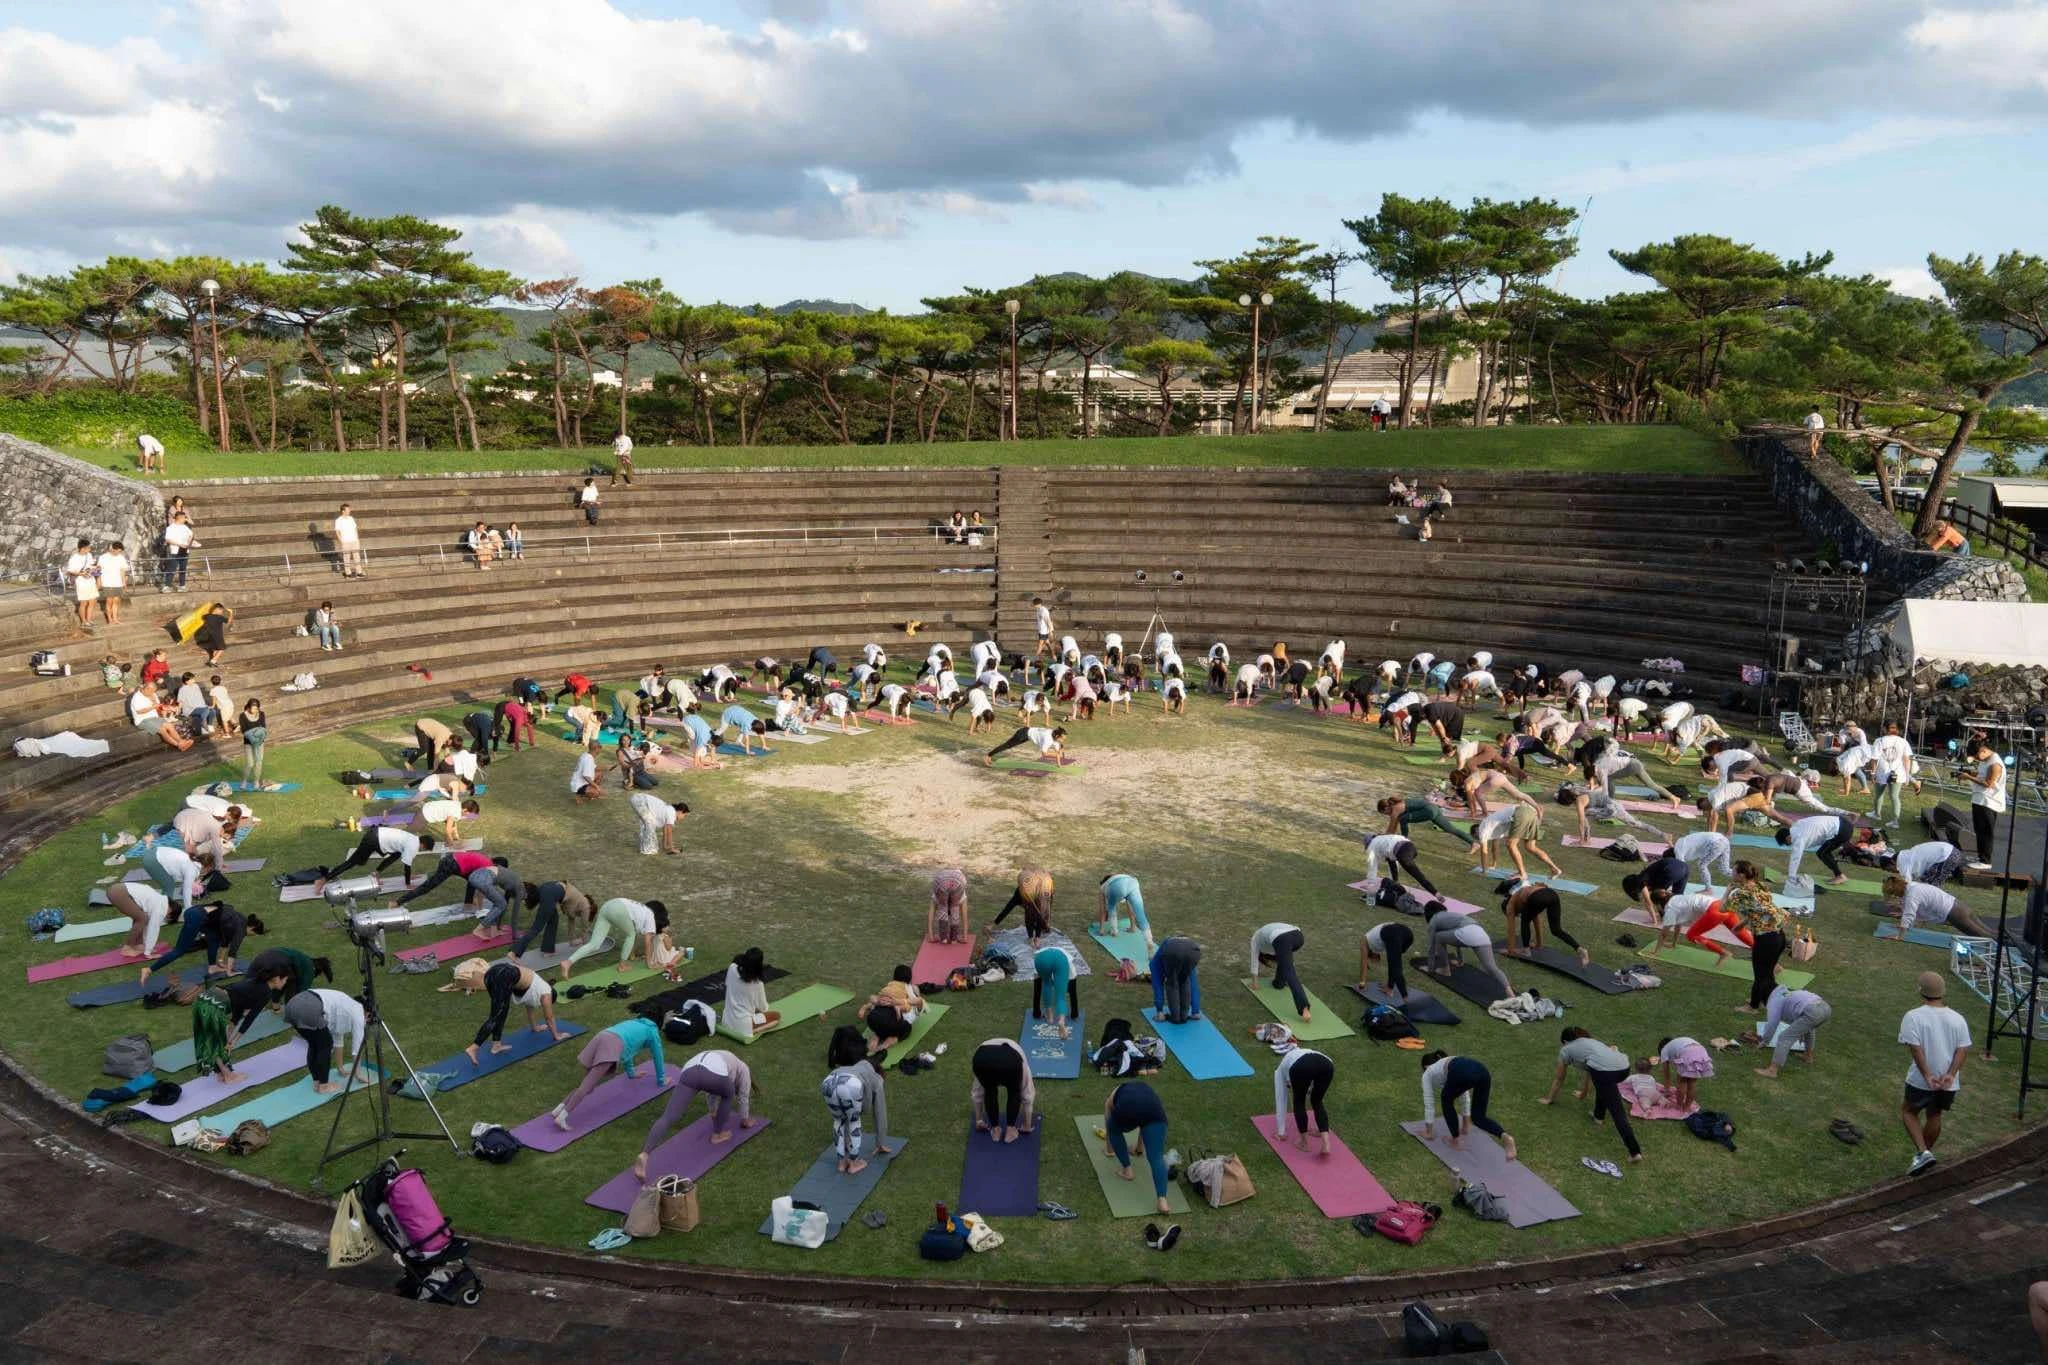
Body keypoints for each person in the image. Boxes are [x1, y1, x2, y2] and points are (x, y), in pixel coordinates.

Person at [633, 1048, 758, 1179]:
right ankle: (718, 1135)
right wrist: (745, 1119)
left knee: (668, 1117)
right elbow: (743, 1096)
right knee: (729, 1093)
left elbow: (711, 1091)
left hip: (689, 1071)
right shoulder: (743, 1068)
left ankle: (645, 1154)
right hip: (711, 1073)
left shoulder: (724, 1059)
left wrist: (713, 1112)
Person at [1900, 970, 1971, 1176]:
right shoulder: (1958, 1018)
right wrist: (1950, 1074)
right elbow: (1963, 1049)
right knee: (1935, 1113)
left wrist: (1928, 1075)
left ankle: (1923, 1152)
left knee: (1908, 1111)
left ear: (1920, 991)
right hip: (1949, 1082)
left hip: (1922, 1080)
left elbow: (1915, 1048)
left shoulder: (1913, 1016)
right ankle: (1923, 1156)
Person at [1541, 1026, 1642, 1163]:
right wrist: (1583, 1093)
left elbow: (1559, 1078)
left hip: (1607, 1073)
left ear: (1565, 1041)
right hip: (1624, 1067)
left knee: (1618, 1113)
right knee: (1602, 1085)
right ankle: (1598, 1116)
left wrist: (1549, 1099)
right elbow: (1592, 1072)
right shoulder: (1590, 1042)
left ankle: (1634, 1152)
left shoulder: (1566, 1050)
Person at [552, 1013, 664, 1130]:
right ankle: (562, 1117)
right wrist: (662, 1080)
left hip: (602, 1036)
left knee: (586, 1085)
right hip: (610, 1045)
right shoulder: (652, 1031)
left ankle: (558, 1109)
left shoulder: (634, 1023)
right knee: (586, 1087)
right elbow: (658, 1056)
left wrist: (631, 1073)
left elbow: (629, 1051)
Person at [189, 970, 290, 1086]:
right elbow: (250, 1018)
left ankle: (220, 1072)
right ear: (277, 979)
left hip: (204, 999)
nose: (286, 982)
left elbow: (239, 1005)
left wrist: (231, 1033)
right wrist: (234, 1041)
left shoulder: (256, 983)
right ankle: (228, 1076)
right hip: (212, 1005)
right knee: (216, 1042)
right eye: (285, 979)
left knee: (216, 1040)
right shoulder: (265, 993)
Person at [822, 1025, 894, 1175]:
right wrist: (880, 1143)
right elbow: (880, 1112)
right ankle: (854, 1164)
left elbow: (844, 1113)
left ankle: (842, 1163)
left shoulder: (856, 1068)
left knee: (839, 1120)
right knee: (854, 1120)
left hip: (828, 1081)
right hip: (849, 1083)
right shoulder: (876, 1078)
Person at [140, 900, 261, 989]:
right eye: (254, 934)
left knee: (214, 938)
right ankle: (149, 969)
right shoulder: (240, 930)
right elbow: (233, 951)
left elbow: (224, 943)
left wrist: (219, 961)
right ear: (252, 928)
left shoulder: (239, 918)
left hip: (196, 912)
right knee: (180, 950)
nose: (252, 936)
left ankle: (212, 967)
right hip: (197, 917)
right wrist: (230, 971)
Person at [1419, 1051, 1516, 1159]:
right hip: (1483, 1072)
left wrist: (1429, 1132)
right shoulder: (1448, 1064)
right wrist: (1465, 1126)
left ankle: (1455, 1140)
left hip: (1465, 1073)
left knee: (1446, 1100)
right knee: (1479, 1118)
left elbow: (1429, 1102)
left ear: (1426, 1067)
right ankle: (1506, 1137)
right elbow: (1464, 1095)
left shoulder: (1428, 1073)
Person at [1725, 861, 1789, 1013]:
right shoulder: (1760, 886)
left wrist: (1727, 891)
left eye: (1733, 871)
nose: (1731, 873)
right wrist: (1741, 924)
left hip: (1766, 939)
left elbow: (1723, 908)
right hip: (1779, 937)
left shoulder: (1740, 893)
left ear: (1741, 875)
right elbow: (1758, 911)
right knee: (1767, 973)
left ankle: (1753, 1006)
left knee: (1762, 975)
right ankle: (1765, 1000)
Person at [1102, 1080, 1173, 1214]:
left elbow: (1109, 1124)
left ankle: (1127, 1170)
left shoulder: (1111, 1100)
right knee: (1156, 1156)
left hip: (1129, 1109)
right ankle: (1162, 1200)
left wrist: (1109, 1150)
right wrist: (1139, 1149)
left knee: (1114, 1129)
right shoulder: (1142, 1088)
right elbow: (1143, 1122)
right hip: (1155, 1113)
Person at [560, 897, 668, 981]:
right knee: (631, 935)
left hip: (607, 906)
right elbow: (647, 942)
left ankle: (567, 963)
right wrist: (650, 964)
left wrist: (632, 955)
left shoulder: (642, 911)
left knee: (595, 944)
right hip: (618, 908)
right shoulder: (650, 917)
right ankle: (622, 966)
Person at [284, 986, 367, 1094]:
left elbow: (338, 1037)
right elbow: (357, 1047)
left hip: (292, 1005)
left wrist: (340, 1068)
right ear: (367, 1013)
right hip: (307, 1006)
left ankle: (317, 1082)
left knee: (315, 1043)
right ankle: (324, 1086)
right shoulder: (358, 1011)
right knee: (325, 1044)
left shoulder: (344, 1007)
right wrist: (358, 1073)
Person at [1424, 903, 1514, 997]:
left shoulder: (1434, 920)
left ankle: (1445, 969)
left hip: (1466, 933)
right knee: (1491, 967)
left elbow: (1432, 946)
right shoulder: (1453, 916)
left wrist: (1430, 969)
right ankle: (1509, 990)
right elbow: (1456, 939)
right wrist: (1460, 960)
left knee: (1438, 937)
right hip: (1481, 933)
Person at [316, 825, 436, 895]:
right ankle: (323, 880)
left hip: (376, 834)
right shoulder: (413, 845)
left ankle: (376, 874)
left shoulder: (413, 838)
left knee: (395, 854)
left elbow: (399, 859)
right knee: (352, 863)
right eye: (424, 849)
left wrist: (409, 877)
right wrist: (408, 884)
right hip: (374, 839)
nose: (421, 850)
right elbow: (407, 865)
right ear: (423, 845)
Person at [1750, 983, 1830, 1079]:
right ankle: (1808, 1056)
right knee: (1809, 1029)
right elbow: (1797, 1013)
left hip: (1812, 1011)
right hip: (1825, 1008)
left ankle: (1772, 1070)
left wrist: (1764, 1041)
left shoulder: (1773, 1001)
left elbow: (1772, 1024)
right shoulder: (1784, 994)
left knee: (1784, 1037)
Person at [1500, 879, 1588, 966]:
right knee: (1556, 930)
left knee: (1525, 920)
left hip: (1538, 895)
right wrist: (1539, 945)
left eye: (1516, 914)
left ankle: (1526, 951)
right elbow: (1536, 921)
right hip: (1552, 894)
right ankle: (1580, 950)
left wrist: (1510, 950)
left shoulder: (1510, 906)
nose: (1517, 915)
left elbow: (1511, 929)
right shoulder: (1526, 899)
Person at [1272, 1042, 1335, 1155]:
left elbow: (1280, 1097)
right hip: (1327, 1064)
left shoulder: (1281, 1070)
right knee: (1317, 1101)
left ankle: (1303, 1142)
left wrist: (1281, 1132)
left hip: (1302, 1066)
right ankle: (1326, 1142)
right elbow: (1314, 1076)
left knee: (1299, 1102)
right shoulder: (1306, 1052)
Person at [971, 1036, 1036, 1143]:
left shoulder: (984, 1053)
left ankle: (996, 1131)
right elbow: (1027, 1094)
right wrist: (1026, 1125)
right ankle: (1010, 1131)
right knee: (1014, 1090)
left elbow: (977, 1092)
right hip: (1009, 1061)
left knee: (989, 1090)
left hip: (982, 1059)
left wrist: (979, 1120)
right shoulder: (1019, 1057)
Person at [1250, 921, 1311, 1021]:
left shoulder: (1255, 939)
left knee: (1289, 971)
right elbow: (1287, 960)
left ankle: (1304, 1007)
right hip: (1298, 937)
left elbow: (1254, 960)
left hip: (1283, 937)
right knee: (1279, 983)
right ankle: (1279, 982)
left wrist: (1255, 983)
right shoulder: (1269, 941)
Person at [858, 965, 925, 1054]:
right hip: (892, 1023)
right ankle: (887, 1042)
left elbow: (872, 999)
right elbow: (919, 1001)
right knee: (905, 1030)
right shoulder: (912, 999)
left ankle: (876, 1037)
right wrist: (897, 1003)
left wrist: (870, 1005)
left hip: (873, 1019)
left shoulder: (889, 990)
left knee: (881, 1024)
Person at [1775, 813, 1855, 887]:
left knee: (1822, 854)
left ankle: (1840, 876)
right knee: (1823, 852)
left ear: (1788, 838)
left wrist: (1791, 878)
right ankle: (1839, 875)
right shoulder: (1797, 825)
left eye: (1787, 843)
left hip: (1841, 830)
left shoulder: (1799, 838)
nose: (1790, 845)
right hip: (1843, 823)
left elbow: (1795, 858)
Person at [1964, 737, 2006, 870]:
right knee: (1979, 830)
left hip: (1989, 801)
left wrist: (1968, 777)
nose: (1977, 759)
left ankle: (1986, 862)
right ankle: (1980, 856)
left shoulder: (1995, 764)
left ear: (1983, 750)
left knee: (1986, 832)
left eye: (1977, 756)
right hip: (1979, 799)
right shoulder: (1986, 760)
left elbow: (1988, 784)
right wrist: (1970, 773)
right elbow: (1982, 774)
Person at [723, 946, 782, 1041]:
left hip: (726, 1020)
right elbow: (763, 1008)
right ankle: (753, 1031)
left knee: (755, 1009)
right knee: (776, 1016)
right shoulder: (758, 983)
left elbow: (728, 984)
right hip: (744, 1025)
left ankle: (749, 1028)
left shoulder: (732, 968)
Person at [107, 881, 173, 958]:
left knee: (140, 917)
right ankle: (127, 949)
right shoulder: (160, 908)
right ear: (170, 910)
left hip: (117, 889)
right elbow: (153, 929)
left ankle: (137, 944)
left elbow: (148, 926)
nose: (164, 917)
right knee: (142, 919)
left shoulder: (159, 900)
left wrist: (146, 947)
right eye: (167, 917)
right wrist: (148, 953)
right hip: (118, 892)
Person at [1362, 832, 1440, 897]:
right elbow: (1393, 862)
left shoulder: (1372, 846)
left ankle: (1436, 894)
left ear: (1367, 843)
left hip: (1402, 852)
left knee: (1417, 875)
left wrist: (1371, 885)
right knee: (1391, 860)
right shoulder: (1383, 838)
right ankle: (1395, 883)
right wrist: (1394, 881)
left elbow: (1372, 867)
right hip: (1411, 847)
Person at [1649, 1035, 1714, 1110]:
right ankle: (1687, 1107)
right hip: (1701, 1052)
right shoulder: (1677, 1043)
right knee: (1692, 1083)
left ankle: (1679, 1105)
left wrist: (1667, 1090)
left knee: (1682, 1081)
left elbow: (1667, 1074)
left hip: (1687, 1052)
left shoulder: (1664, 1050)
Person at [992, 867, 1054, 943]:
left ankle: (1035, 938)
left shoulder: (1041, 893)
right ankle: (1033, 938)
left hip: (1041, 889)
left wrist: (1038, 936)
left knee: (1037, 914)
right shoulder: (1020, 895)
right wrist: (994, 923)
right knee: (1033, 914)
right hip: (1032, 889)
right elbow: (1008, 908)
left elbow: (1041, 913)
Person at [1356, 919, 1416, 997]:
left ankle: (1401, 995)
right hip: (1408, 934)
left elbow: (1363, 963)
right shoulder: (1374, 939)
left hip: (1396, 934)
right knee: (1393, 962)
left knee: (1394, 965)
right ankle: (1390, 986)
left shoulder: (1364, 941)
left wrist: (1362, 985)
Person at [1150, 936, 1203, 1024]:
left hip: (1173, 951)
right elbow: (1194, 984)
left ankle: (1175, 1017)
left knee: (1172, 984)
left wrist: (1160, 1010)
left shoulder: (1154, 964)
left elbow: (1157, 985)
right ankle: (1192, 1014)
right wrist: (1195, 1011)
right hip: (1194, 951)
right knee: (1185, 980)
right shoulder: (1167, 947)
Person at [1379, 793, 1470, 843]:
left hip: (1429, 811)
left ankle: (1405, 840)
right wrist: (1386, 835)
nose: (1387, 815)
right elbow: (1392, 828)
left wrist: (1384, 836)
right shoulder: (1397, 805)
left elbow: (1392, 826)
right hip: (1434, 809)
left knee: (1403, 818)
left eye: (1385, 813)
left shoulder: (1396, 808)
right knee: (1451, 829)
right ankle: (1473, 843)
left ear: (1386, 808)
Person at [1030, 944, 1076, 1039]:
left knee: (1046, 984)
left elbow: (1037, 977)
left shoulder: (1042, 952)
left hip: (1040, 959)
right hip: (1059, 961)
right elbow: (1073, 979)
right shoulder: (1067, 960)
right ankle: (1061, 1021)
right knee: (1060, 997)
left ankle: (1050, 1017)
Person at [1098, 873, 1153, 948]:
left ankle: (1114, 931)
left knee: (1111, 907)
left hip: (1117, 885)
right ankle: (1149, 941)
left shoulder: (1103, 887)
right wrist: (1132, 926)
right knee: (1141, 915)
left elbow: (1103, 910)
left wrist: (1101, 929)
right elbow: (1130, 906)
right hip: (1133, 882)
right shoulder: (1117, 877)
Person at [984, 723, 1067, 767]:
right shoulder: (1048, 739)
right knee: (1007, 745)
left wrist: (1059, 764)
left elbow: (1057, 751)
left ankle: (989, 755)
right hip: (1022, 733)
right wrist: (1056, 754)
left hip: (1027, 735)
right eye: (1062, 738)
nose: (1063, 740)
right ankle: (988, 756)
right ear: (1057, 736)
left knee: (1008, 746)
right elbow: (1044, 754)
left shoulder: (1055, 738)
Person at [928, 868, 969, 946]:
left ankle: (944, 939)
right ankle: (954, 939)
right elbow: (964, 916)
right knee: (955, 908)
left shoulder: (938, 898)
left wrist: (931, 936)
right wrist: (965, 936)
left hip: (941, 880)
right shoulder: (960, 898)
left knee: (943, 907)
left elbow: (931, 915)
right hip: (958, 880)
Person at [159, 509, 196, 591]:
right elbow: (168, 539)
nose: (185, 519)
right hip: (174, 551)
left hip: (185, 550)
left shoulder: (185, 527)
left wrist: (189, 543)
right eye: (184, 518)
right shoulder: (171, 528)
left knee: (183, 569)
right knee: (171, 568)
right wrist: (179, 544)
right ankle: (167, 586)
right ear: (179, 518)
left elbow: (191, 535)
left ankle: (182, 586)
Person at [96, 539, 130, 626]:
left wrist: (124, 583)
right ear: (113, 549)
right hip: (107, 582)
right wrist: (99, 581)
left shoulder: (121, 557)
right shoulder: (103, 557)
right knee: (109, 601)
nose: (118, 553)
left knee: (116, 601)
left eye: (120, 551)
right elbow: (98, 570)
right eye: (118, 551)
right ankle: (109, 619)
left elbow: (123, 571)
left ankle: (115, 618)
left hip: (118, 582)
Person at [192, 601, 232, 667]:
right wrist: (231, 613)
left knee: (215, 650)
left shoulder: (206, 616)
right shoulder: (219, 617)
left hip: (205, 638)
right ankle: (212, 661)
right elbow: (229, 621)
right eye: (221, 610)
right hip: (216, 637)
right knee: (222, 648)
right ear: (217, 610)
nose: (222, 612)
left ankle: (213, 660)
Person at [332, 502, 365, 578]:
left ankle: (359, 572)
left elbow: (355, 528)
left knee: (357, 556)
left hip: (354, 540)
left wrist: (357, 538)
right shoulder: (338, 520)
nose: (350, 510)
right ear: (343, 511)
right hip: (345, 541)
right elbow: (337, 531)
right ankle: (348, 573)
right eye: (348, 509)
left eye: (349, 509)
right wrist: (341, 541)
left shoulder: (351, 518)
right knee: (346, 557)